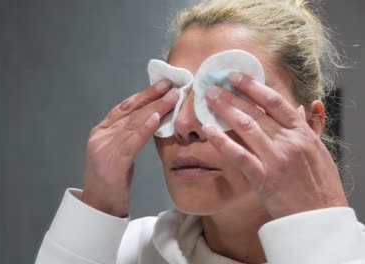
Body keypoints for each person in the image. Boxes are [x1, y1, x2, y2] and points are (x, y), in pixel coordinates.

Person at [35, 0, 365, 263]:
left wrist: (325, 227)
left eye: (229, 96)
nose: (183, 125)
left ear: (311, 123)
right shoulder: (126, 253)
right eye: (174, 95)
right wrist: (98, 206)